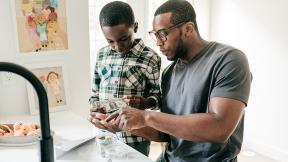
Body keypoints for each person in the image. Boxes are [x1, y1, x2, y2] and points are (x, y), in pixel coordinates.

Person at [101, 0, 252, 162]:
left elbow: (220, 128)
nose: (158, 42)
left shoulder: (229, 60)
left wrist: (145, 116)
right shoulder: (168, 73)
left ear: (188, 29)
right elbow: (165, 133)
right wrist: (125, 126)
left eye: (162, 34)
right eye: (155, 35)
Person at [88, 1, 161, 156]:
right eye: (110, 41)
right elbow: (95, 91)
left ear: (135, 27)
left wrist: (145, 102)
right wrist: (94, 108)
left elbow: (158, 97)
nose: (118, 47)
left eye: (123, 39)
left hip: (135, 138)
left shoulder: (150, 58)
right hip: (104, 135)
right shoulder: (101, 55)